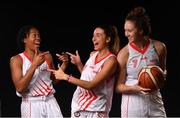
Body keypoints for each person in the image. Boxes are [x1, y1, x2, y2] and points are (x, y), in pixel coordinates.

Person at [48, 24, 120, 118]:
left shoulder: (111, 61)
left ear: (108, 39)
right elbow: (86, 78)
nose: (93, 39)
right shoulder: (92, 54)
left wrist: (65, 76)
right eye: (93, 36)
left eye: (98, 35)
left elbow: (91, 85)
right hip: (79, 107)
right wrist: (79, 64)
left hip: (96, 110)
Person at [115, 6, 167, 117]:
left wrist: (160, 78)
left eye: (129, 31)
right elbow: (118, 87)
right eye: (125, 30)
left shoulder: (159, 47)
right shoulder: (124, 53)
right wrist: (136, 88)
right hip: (133, 102)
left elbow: (163, 72)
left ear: (141, 30)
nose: (126, 34)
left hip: (154, 100)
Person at [10, 25, 68, 118]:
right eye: (34, 35)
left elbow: (54, 81)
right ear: (24, 39)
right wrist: (34, 65)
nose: (38, 38)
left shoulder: (47, 56)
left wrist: (64, 64)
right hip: (31, 104)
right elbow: (20, 88)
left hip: (50, 101)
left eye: (39, 36)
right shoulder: (17, 60)